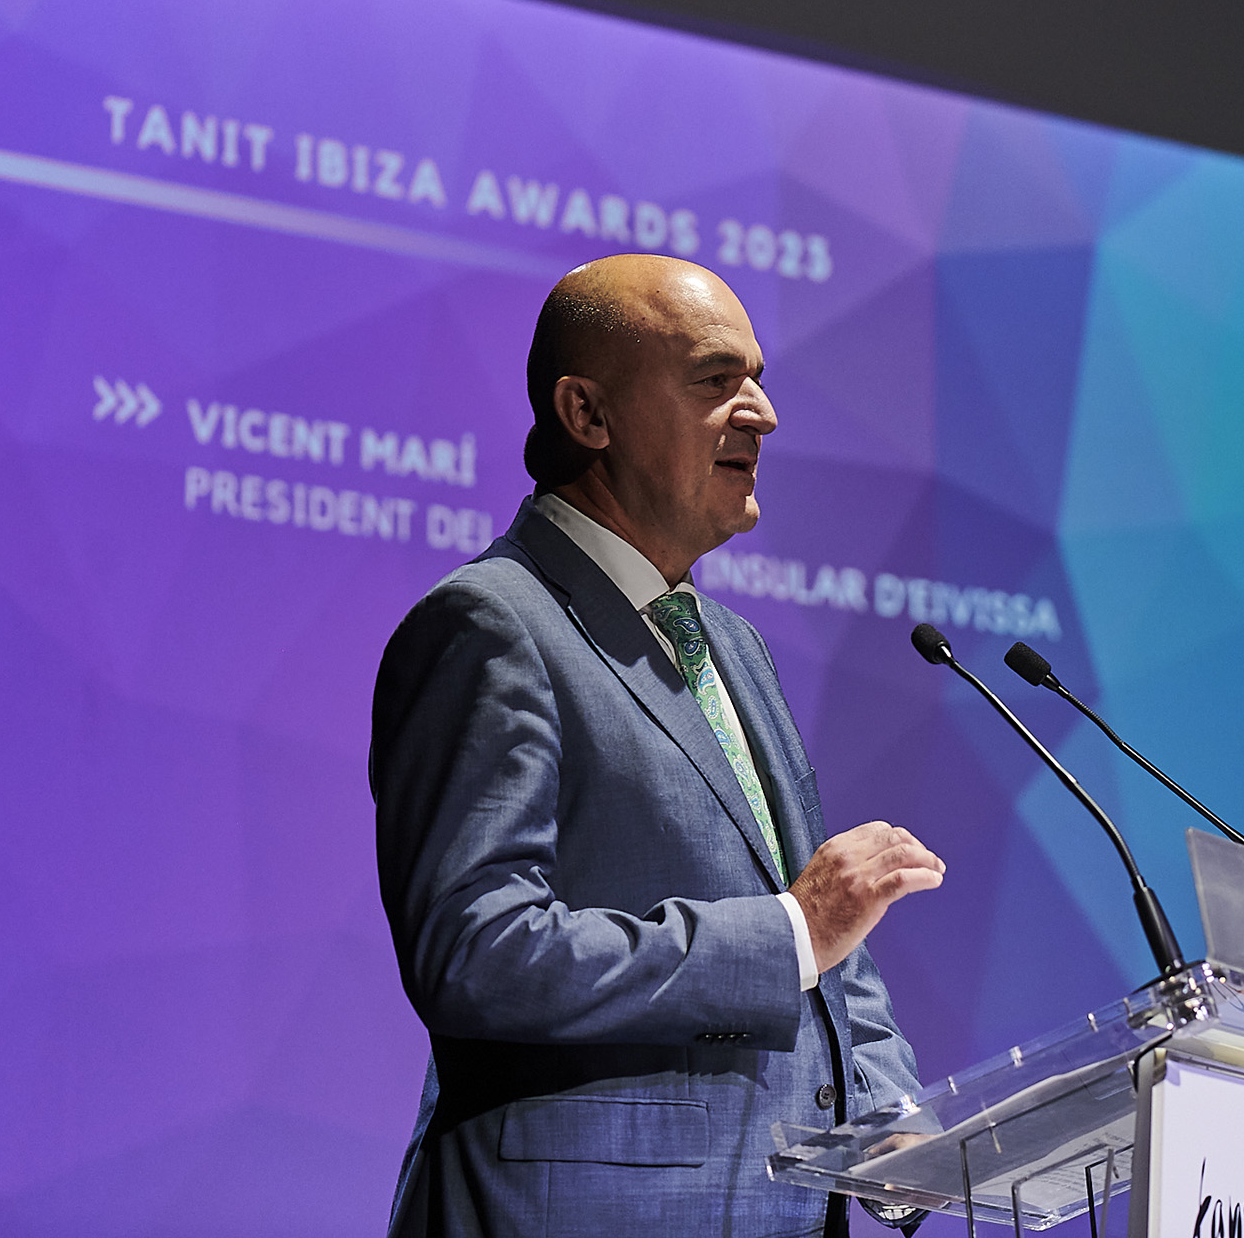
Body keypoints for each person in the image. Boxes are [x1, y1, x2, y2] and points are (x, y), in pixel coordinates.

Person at [372, 254, 944, 1238]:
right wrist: (788, 931)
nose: (762, 414)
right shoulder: (492, 624)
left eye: (757, 379)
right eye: (716, 380)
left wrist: (895, 1120)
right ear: (587, 413)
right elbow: (475, 950)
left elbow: (828, 947)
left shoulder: (734, 647)